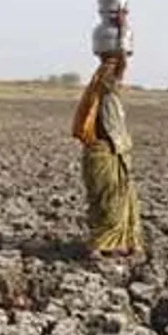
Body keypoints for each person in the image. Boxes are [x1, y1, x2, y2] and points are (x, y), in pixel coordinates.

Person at [71, 39, 144, 262]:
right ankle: (99, 244)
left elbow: (119, 72)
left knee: (122, 202)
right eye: (111, 70)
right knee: (107, 202)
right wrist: (120, 45)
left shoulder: (108, 97)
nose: (117, 77)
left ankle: (119, 243)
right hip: (103, 154)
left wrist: (121, 32)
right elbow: (117, 72)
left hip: (116, 154)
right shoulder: (102, 92)